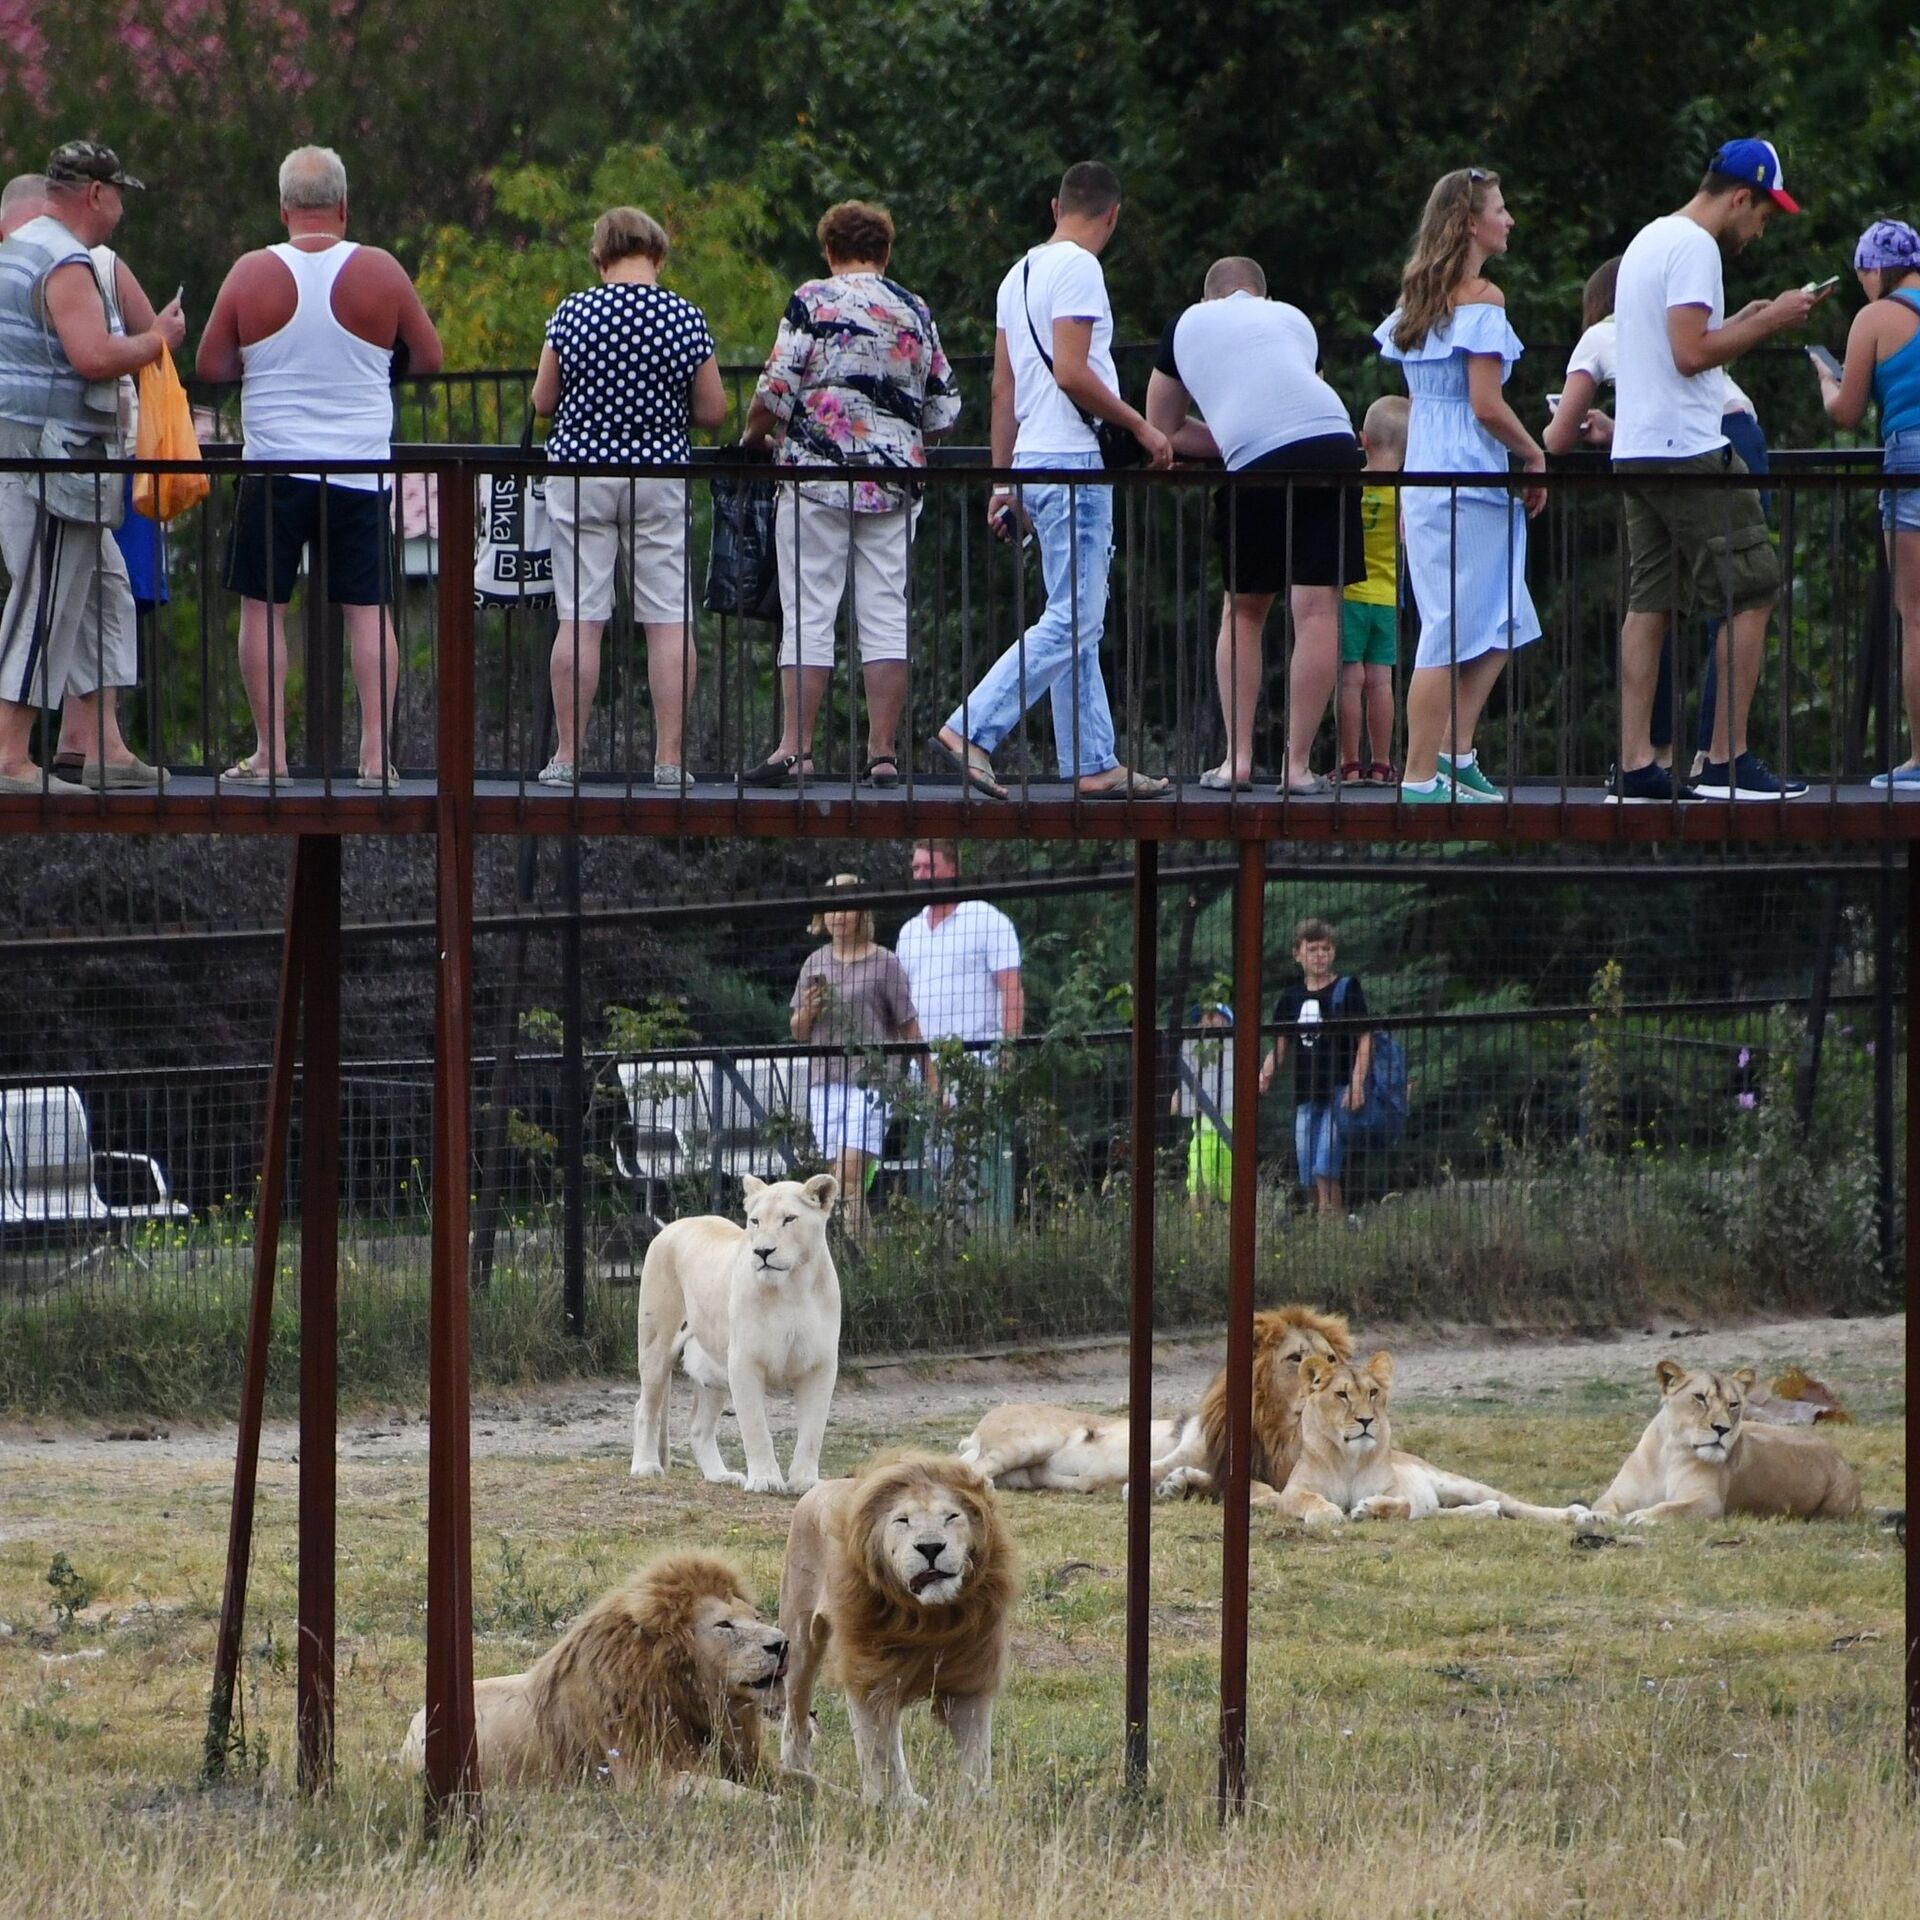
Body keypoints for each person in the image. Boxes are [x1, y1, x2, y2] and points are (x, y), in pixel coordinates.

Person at [196, 144, 442, 785]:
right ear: (343, 206)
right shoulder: (380, 271)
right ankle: (373, 758)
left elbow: (211, 366)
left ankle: (271, 756)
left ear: (283, 210)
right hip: (359, 467)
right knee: (369, 610)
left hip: (275, 464)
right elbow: (430, 356)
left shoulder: (251, 273)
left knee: (263, 608)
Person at [934, 162, 1171, 803]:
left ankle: (1092, 759)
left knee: (1076, 615)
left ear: (1053, 206)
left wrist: (1004, 483)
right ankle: (972, 728)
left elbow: (1004, 387)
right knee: (1074, 617)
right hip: (1073, 463)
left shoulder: (1020, 274)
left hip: (1035, 461)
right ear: (1113, 215)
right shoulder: (1082, 270)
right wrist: (1143, 430)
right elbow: (1072, 372)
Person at [1608, 137, 1818, 801]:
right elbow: (1692, 354)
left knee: (1651, 601)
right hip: (1688, 450)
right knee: (1753, 586)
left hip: (1638, 447)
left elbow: (1681, 344)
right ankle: (1725, 759)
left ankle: (1636, 764)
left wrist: (1748, 319)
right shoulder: (1698, 248)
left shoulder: (1650, 238)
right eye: (1763, 214)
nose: (1759, 230)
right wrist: (1777, 320)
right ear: (1739, 196)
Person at [741, 201, 959, 788]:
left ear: (829, 250)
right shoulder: (914, 308)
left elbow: (776, 387)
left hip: (816, 476)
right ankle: (883, 754)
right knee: (886, 613)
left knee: (809, 612)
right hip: (895, 478)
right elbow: (942, 411)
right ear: (885, 252)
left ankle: (797, 750)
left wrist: (751, 437)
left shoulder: (813, 299)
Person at [0, 142, 183, 795]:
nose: (121, 208)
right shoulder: (63, 260)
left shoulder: (19, 249)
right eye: (119, 194)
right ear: (96, 194)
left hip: (34, 455)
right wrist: (157, 339)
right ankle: (10, 756)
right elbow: (92, 356)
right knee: (43, 602)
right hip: (59, 464)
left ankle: (104, 747)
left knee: (105, 590)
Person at [1145, 256, 1366, 795]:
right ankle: (1297, 767)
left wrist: (1232, 439)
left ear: (1209, 297)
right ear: (1261, 295)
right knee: (1317, 611)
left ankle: (1237, 760)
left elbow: (1161, 428)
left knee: (1243, 610)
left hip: (1257, 464)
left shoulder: (1188, 323)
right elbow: (1296, 396)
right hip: (1335, 444)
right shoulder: (1293, 319)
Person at [1546, 252, 1760, 782]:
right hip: (1731, 438)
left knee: (1658, 601)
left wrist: (1565, 441)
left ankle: (1648, 756)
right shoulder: (1680, 324)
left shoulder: (1603, 332)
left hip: (1665, 451)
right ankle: (1718, 754)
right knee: (1737, 598)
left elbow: (1557, 438)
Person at [530, 206, 724, 790]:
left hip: (582, 475)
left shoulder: (573, 312)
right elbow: (714, 412)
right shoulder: (683, 317)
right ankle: (668, 759)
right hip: (658, 475)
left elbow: (542, 401)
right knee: (666, 621)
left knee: (580, 621)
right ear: (658, 255)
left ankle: (566, 757)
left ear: (600, 257)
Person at [1377, 168, 1545, 807]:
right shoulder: (1483, 299)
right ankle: (1419, 775)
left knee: (1503, 615)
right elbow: (1485, 404)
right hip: (1464, 477)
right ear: (1471, 223)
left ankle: (1455, 752)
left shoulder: (1419, 303)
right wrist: (1533, 453)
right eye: (1501, 210)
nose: (1510, 220)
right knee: (1448, 628)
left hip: (1435, 472)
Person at [1813, 219, 1920, 790]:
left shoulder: (1876, 318)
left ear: (1874, 268)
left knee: (1918, 617)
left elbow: (1848, 413)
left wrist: (1827, 381)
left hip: (1912, 459)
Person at [790, 874, 932, 1242]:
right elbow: (798, 1033)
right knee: (837, 1184)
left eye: (848, 905)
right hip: (824, 1082)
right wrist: (806, 1011)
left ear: (861, 913)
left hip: (871, 1082)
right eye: (832, 905)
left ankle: (861, 1266)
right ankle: (857, 1262)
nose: (839, 915)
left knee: (848, 1175)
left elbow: (908, 1025)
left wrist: (933, 1080)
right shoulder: (814, 962)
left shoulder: (884, 962)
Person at [1259, 918, 1371, 1219]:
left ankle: (1329, 1229)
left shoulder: (1347, 989)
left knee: (1325, 1166)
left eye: (1326, 948)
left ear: (1333, 953)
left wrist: (1356, 1083)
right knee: (1309, 1171)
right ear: (1298, 954)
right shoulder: (1290, 998)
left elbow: (1364, 1037)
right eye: (1313, 949)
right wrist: (1264, 1074)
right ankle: (1327, 1224)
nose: (1320, 955)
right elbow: (1281, 1047)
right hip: (1306, 1095)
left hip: (1339, 1092)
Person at [1338, 395, 1410, 784]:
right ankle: (1381, 765)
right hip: (1386, 597)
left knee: (1350, 680)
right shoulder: (1405, 493)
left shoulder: (1351, 485)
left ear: (1362, 439)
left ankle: (1349, 765)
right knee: (1381, 681)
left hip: (1349, 594)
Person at [894, 839, 1024, 1054]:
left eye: (930, 867)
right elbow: (902, 1003)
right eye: (916, 868)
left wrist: (1008, 1052)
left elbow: (1011, 988)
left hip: (979, 1059)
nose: (921, 875)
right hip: (925, 1067)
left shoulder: (985, 918)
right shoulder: (909, 931)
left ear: (952, 869)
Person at [1172, 1003, 1234, 1209]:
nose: (1206, 1023)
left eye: (1213, 1017)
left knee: (1234, 1202)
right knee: (1198, 1201)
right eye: (1202, 1019)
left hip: (1232, 1141)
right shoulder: (1194, 1065)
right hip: (1201, 1141)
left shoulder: (1238, 1060)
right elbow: (1175, 1107)